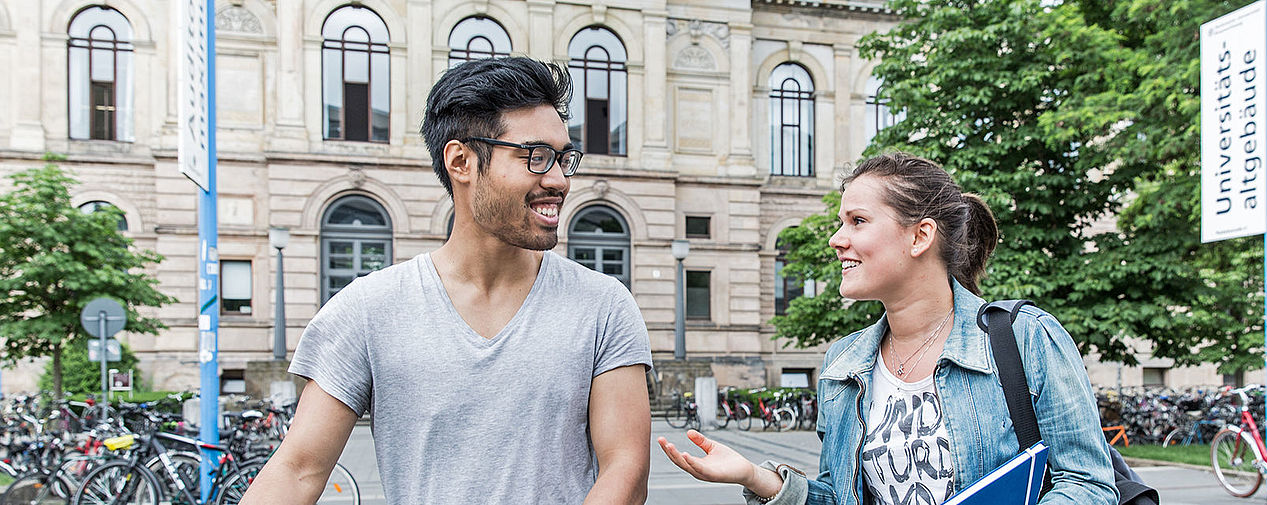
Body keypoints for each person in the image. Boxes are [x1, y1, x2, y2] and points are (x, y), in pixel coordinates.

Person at [241, 57, 653, 504]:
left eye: (563, 158)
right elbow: (297, 470)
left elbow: (625, 470)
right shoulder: (368, 309)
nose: (558, 180)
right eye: (535, 156)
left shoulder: (604, 305)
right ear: (461, 161)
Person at [658, 153, 1116, 505]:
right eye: (841, 223)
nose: (837, 240)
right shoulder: (844, 362)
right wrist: (755, 477)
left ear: (920, 236)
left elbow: (1090, 485)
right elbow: (840, 496)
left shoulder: (1025, 338)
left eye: (857, 221)